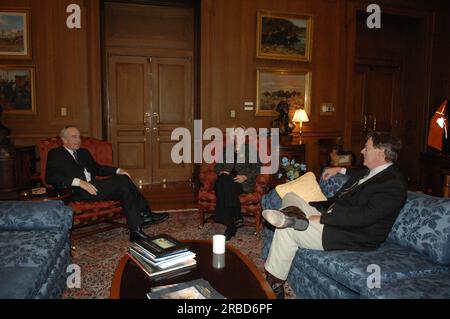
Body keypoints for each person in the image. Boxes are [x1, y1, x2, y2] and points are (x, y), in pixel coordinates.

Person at [262, 131, 407, 298]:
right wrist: (339, 169)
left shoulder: (393, 184)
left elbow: (364, 217)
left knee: (287, 229)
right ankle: (293, 216)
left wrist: (323, 218)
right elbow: (359, 176)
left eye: (366, 148)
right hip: (334, 217)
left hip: (352, 233)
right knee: (290, 196)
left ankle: (274, 285)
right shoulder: (376, 172)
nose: (361, 151)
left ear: (380, 152)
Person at [46, 125, 169, 242]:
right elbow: (50, 177)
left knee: (124, 186)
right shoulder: (56, 154)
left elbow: (97, 168)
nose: (78, 140)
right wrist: (79, 182)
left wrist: (117, 170)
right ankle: (145, 215)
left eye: (79, 136)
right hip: (77, 191)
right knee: (123, 182)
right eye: (74, 137)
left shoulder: (83, 152)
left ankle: (136, 230)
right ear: (64, 139)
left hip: (95, 187)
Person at [214, 127, 261, 241]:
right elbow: (217, 166)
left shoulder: (251, 150)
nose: (239, 137)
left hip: (241, 181)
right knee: (225, 180)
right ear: (233, 136)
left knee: (223, 183)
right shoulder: (226, 149)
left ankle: (223, 218)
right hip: (227, 180)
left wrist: (245, 176)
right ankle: (233, 222)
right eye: (236, 134)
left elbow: (257, 168)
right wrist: (221, 172)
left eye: (241, 134)